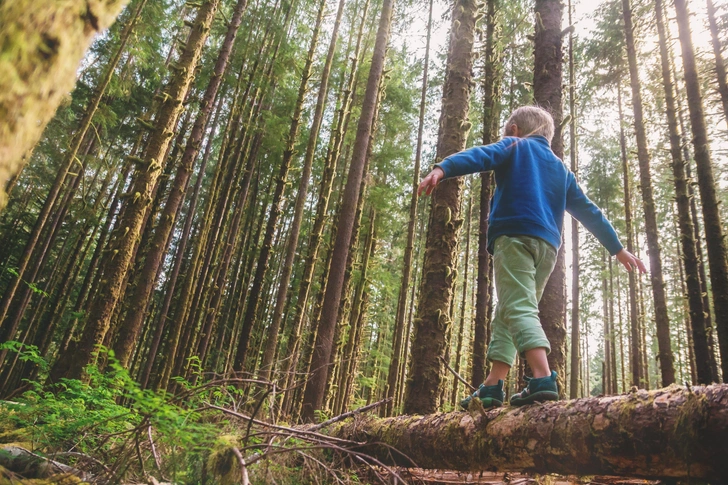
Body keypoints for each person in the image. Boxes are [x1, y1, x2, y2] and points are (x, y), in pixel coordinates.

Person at [417, 105, 646, 408]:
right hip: (548, 249)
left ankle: (542, 377)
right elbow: (588, 211)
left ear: (513, 129)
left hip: (514, 236)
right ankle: (493, 385)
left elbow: (479, 155)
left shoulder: (514, 145)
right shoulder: (561, 169)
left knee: (519, 307)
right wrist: (616, 247)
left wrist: (442, 168)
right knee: (510, 309)